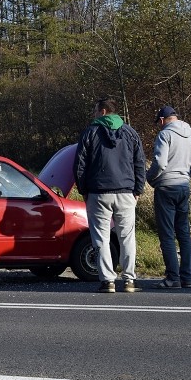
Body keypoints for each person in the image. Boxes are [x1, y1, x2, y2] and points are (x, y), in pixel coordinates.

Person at [74, 98, 146, 293]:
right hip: (125, 192)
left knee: (101, 238)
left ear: (103, 111)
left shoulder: (90, 132)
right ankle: (130, 280)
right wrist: (138, 190)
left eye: (95, 110)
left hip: (98, 193)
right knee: (127, 237)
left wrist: (84, 191)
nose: (94, 114)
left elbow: (79, 165)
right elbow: (139, 162)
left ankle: (108, 281)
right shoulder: (130, 132)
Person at [147, 106, 191, 289]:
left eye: (160, 123)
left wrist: (150, 178)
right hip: (183, 187)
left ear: (163, 120)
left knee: (167, 235)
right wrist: (185, 176)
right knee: (184, 233)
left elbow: (161, 162)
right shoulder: (190, 135)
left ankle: (173, 278)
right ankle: (187, 277)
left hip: (166, 188)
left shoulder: (165, 135)